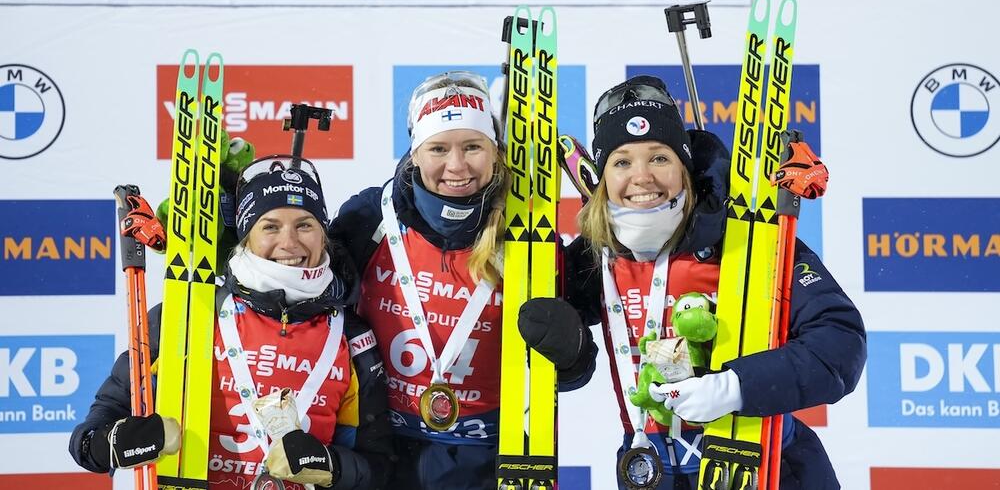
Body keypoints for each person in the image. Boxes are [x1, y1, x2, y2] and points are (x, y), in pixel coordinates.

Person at [555, 75, 866, 489]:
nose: (642, 176)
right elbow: (556, 362)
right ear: (601, 177)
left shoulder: (745, 238)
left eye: (660, 158)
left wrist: (736, 387)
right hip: (650, 471)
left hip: (765, 464)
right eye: (622, 161)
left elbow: (839, 345)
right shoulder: (598, 256)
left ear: (684, 166)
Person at [329, 70, 597, 490]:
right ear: (415, 153)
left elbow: (574, 367)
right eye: (438, 148)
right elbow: (313, 307)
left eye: (472, 147)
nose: (456, 166)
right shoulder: (371, 220)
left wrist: (572, 350)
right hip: (382, 455)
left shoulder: (528, 236)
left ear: (495, 153)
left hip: (489, 461)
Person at [69, 157, 394, 490]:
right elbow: (87, 440)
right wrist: (116, 442)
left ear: (323, 235)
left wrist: (331, 465)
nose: (289, 242)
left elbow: (380, 466)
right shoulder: (187, 314)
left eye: (305, 225)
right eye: (270, 226)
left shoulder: (352, 336)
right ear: (245, 236)